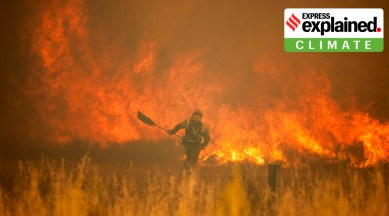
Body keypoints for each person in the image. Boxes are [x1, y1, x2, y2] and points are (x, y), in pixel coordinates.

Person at [167, 110, 210, 174]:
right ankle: (186, 176)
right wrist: (172, 131)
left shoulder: (201, 126)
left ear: (200, 118)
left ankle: (184, 176)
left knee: (190, 161)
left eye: (198, 117)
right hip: (189, 146)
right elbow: (179, 126)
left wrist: (201, 146)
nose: (196, 118)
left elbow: (207, 138)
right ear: (192, 117)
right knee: (190, 161)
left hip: (195, 147)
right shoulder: (188, 122)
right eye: (195, 117)